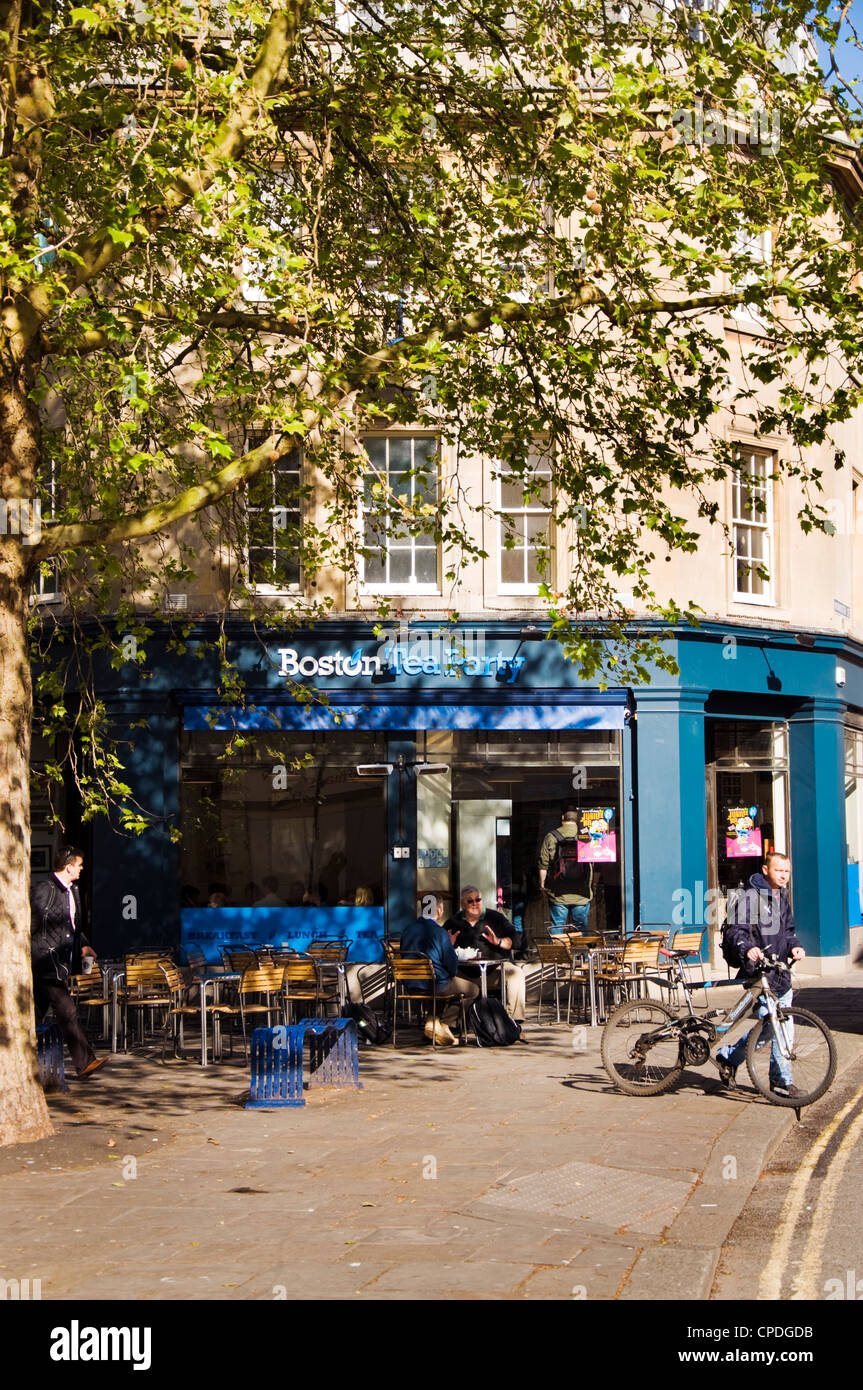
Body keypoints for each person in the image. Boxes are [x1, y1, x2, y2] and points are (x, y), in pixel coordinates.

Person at [716, 851, 806, 1098]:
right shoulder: (750, 898)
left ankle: (729, 1057)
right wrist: (748, 948)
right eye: (779, 870)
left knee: (774, 1027)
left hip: (779, 972)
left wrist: (794, 945)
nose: (784, 875)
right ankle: (781, 1081)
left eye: (786, 871)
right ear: (766, 870)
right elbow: (736, 931)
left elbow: (787, 931)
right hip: (760, 972)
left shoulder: (781, 897)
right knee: (775, 1025)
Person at [30, 845, 105, 1080]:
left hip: (60, 963)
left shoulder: (72, 891)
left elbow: (72, 926)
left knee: (34, 1013)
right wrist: (42, 953)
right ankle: (85, 1062)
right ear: (69, 866)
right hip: (46, 963)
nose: (82, 869)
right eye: (80, 865)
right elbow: (34, 926)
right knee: (68, 1011)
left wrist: (83, 944)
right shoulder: (44, 890)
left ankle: (15, 1055)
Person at [401, 893, 480, 1046]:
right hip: (435, 984)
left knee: (441, 985)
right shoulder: (439, 932)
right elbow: (451, 966)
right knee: (472, 990)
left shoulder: (408, 930)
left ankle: (432, 1022)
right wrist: (449, 945)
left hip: (411, 984)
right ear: (438, 910)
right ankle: (444, 1024)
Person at [444, 886, 527, 1028]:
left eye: (478, 899)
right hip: (465, 974)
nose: (475, 903)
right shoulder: (454, 922)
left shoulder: (495, 918)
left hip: (493, 971)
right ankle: (447, 1024)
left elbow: (517, 940)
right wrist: (447, 944)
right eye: (470, 901)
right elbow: (439, 947)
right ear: (463, 904)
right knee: (443, 976)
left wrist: (499, 942)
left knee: (516, 973)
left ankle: (512, 1022)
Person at [538, 807, 593, 934]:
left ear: (563, 818)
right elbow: (594, 863)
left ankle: (558, 954)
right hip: (581, 894)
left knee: (557, 928)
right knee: (581, 929)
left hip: (558, 894)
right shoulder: (586, 836)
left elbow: (543, 864)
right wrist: (593, 885)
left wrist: (542, 885)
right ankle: (583, 954)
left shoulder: (551, 836)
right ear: (578, 819)